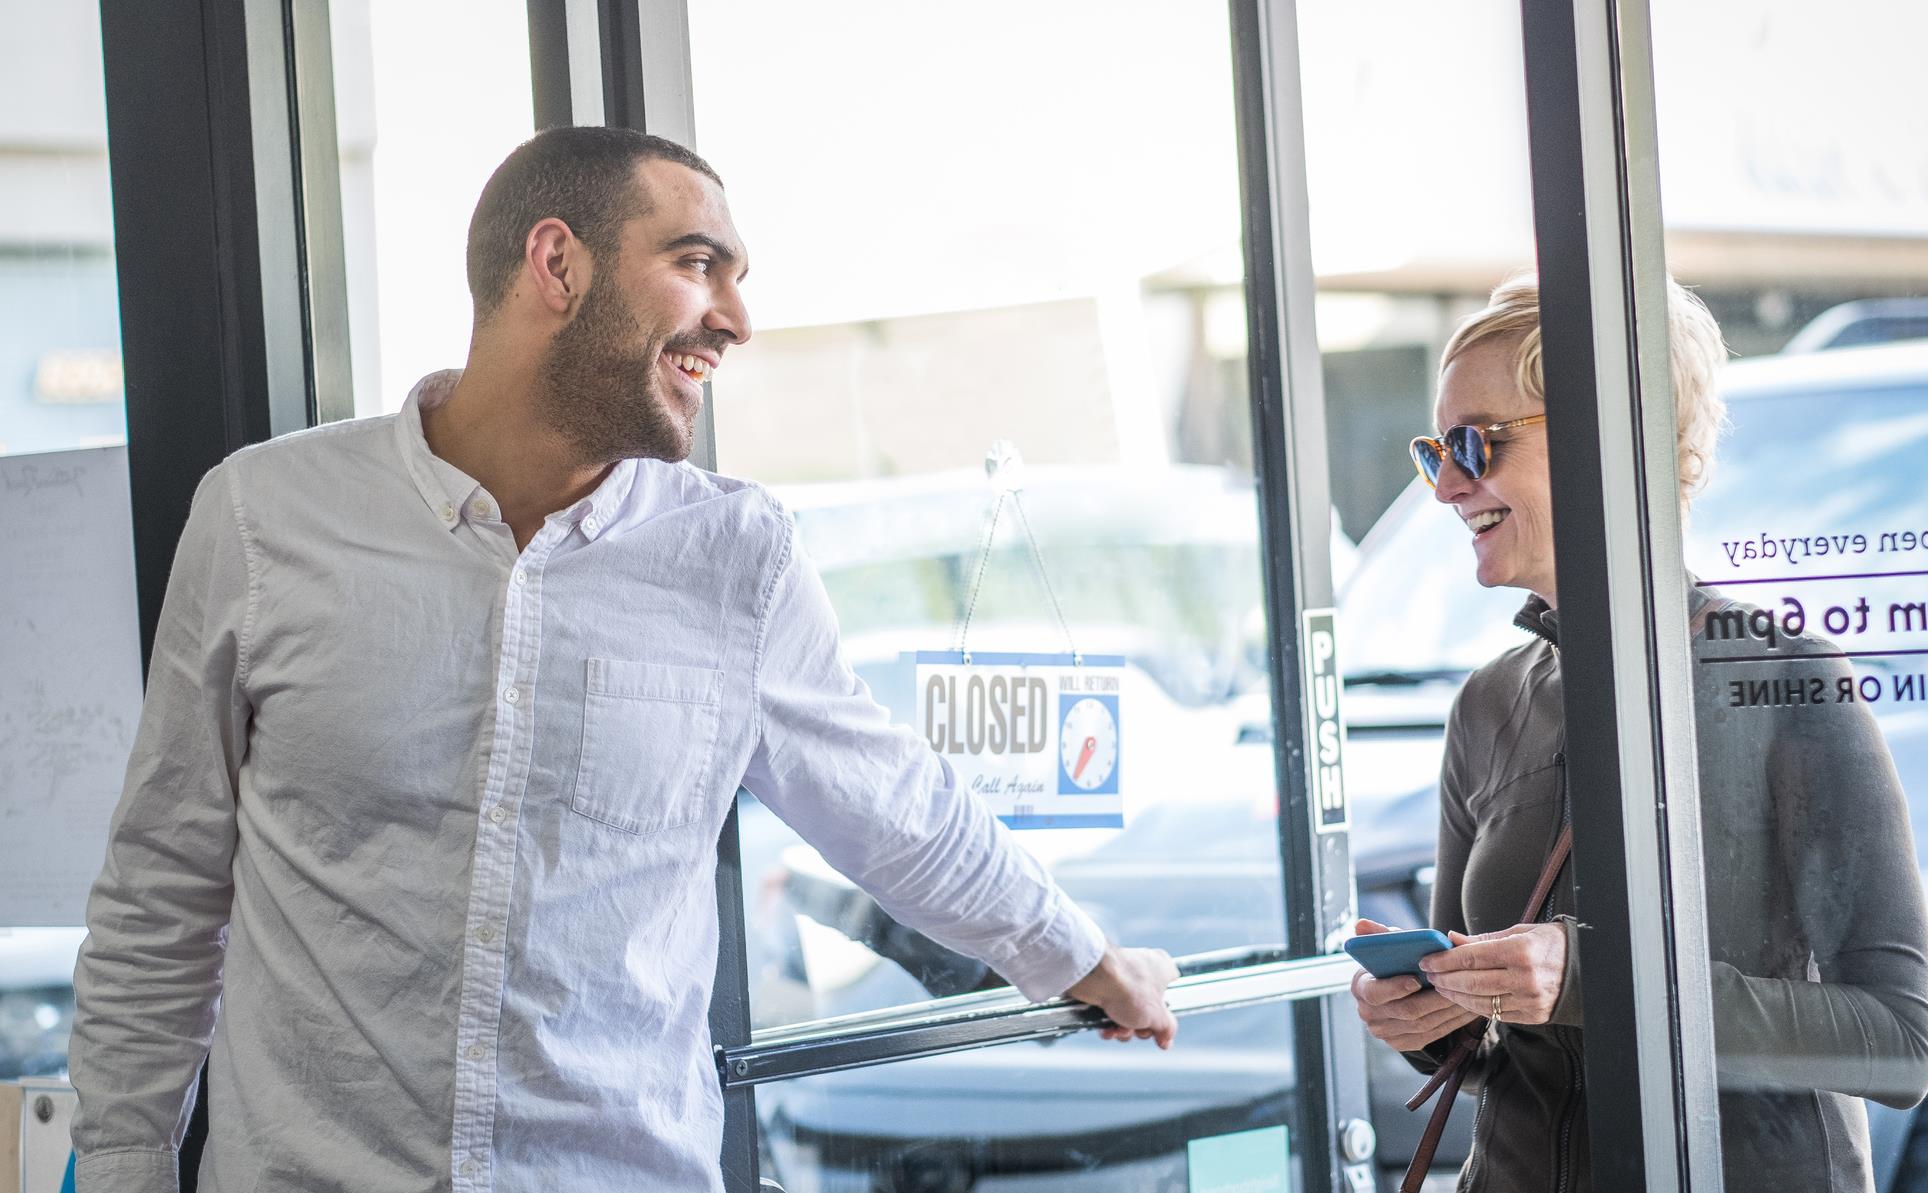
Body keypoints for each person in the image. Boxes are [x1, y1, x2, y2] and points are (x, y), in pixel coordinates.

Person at [68, 125, 1178, 1193]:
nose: (736, 318)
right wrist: (123, 1171)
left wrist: (1075, 953)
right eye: (700, 265)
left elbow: (891, 798)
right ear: (557, 262)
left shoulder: (739, 555)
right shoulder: (264, 516)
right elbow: (163, 888)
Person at [1349, 273, 1928, 1190]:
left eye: (1475, 445)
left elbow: (1899, 1042)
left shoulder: (1782, 678)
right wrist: (1428, 1019)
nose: (1446, 488)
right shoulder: (1485, 703)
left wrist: (1590, 977)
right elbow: (1486, 1032)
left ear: (1606, 439)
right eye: (1436, 451)